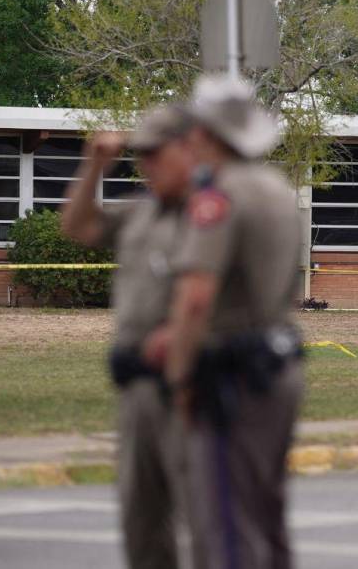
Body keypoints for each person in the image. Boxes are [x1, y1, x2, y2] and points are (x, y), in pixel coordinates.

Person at [149, 75, 305, 569]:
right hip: (279, 366)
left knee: (225, 527)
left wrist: (179, 377)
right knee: (267, 513)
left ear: (204, 133)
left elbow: (196, 298)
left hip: (232, 376)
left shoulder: (219, 197)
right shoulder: (279, 190)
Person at [61, 106, 195, 569]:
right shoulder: (142, 213)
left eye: (157, 154)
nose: (147, 165)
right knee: (142, 516)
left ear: (189, 149)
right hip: (138, 386)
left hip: (191, 387)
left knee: (204, 518)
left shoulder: (213, 214)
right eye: (142, 156)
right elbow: (78, 226)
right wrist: (94, 165)